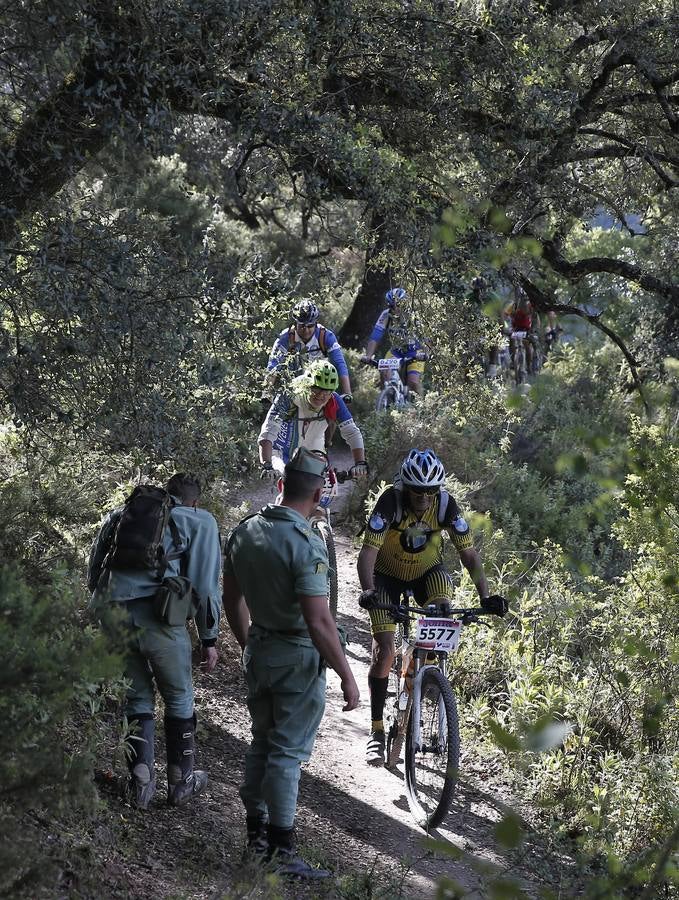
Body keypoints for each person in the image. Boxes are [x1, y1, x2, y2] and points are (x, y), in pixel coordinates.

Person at [222, 447, 360, 878]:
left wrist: (250, 641)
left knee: (261, 742)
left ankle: (256, 839)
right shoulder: (306, 543)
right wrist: (347, 676)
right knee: (284, 754)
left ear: (281, 485)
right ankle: (282, 850)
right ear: (319, 493)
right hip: (296, 659)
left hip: (260, 650)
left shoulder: (246, 531)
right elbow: (319, 622)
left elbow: (231, 598)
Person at [356, 449, 507, 766]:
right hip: (385, 577)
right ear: (405, 487)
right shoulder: (390, 502)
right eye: (417, 490)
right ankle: (377, 731)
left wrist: (485, 596)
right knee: (384, 650)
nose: (424, 497)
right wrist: (369, 590)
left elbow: (469, 555)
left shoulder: (446, 505)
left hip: (427, 573)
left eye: (430, 491)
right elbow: (368, 553)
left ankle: (424, 671)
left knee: (442, 607)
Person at [88, 473, 221, 809]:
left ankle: (141, 783)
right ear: (194, 501)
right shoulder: (199, 521)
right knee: (178, 696)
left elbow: (95, 566)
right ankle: (181, 781)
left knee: (136, 696)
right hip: (160, 620)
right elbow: (205, 587)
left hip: (112, 613)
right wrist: (209, 638)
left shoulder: (123, 515)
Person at [258, 359, 368, 484]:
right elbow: (269, 430)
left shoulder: (334, 400)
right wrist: (267, 465)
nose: (321, 395)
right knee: (287, 479)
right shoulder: (288, 394)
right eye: (316, 389)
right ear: (306, 385)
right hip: (281, 450)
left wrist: (360, 462)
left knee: (321, 486)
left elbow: (352, 432)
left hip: (314, 447)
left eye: (326, 391)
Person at [262, 299, 353, 405]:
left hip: (319, 386)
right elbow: (273, 365)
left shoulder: (326, 336)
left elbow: (339, 364)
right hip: (293, 386)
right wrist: (267, 392)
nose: (306, 330)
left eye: (310, 326)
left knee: (334, 413)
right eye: (302, 326)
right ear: (295, 324)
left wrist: (347, 393)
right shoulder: (285, 337)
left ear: (316, 323)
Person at [361, 287, 427, 396]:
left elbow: (425, 337)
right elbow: (375, 337)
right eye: (392, 306)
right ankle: (385, 402)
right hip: (396, 351)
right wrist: (368, 356)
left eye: (399, 305)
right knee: (385, 372)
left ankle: (421, 409)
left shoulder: (414, 315)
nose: (396, 308)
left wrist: (426, 353)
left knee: (413, 382)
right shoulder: (386, 315)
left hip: (415, 352)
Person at [503, 289, 541, 375]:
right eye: (522, 298)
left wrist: (535, 329)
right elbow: (504, 316)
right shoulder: (513, 306)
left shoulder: (531, 306)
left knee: (527, 345)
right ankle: (513, 361)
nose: (524, 300)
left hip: (527, 330)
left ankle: (529, 366)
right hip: (515, 329)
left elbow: (536, 319)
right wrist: (505, 327)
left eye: (525, 298)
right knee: (511, 341)